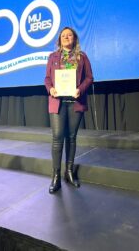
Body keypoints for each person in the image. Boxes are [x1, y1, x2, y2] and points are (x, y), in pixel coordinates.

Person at [44, 27, 93, 194]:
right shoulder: (52, 57)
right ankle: (56, 176)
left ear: (74, 38)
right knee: (58, 138)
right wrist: (50, 88)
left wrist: (80, 89)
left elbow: (89, 78)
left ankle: (69, 172)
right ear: (59, 39)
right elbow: (47, 78)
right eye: (63, 35)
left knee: (71, 138)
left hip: (75, 102)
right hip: (57, 102)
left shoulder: (82, 56)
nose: (66, 37)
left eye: (69, 35)